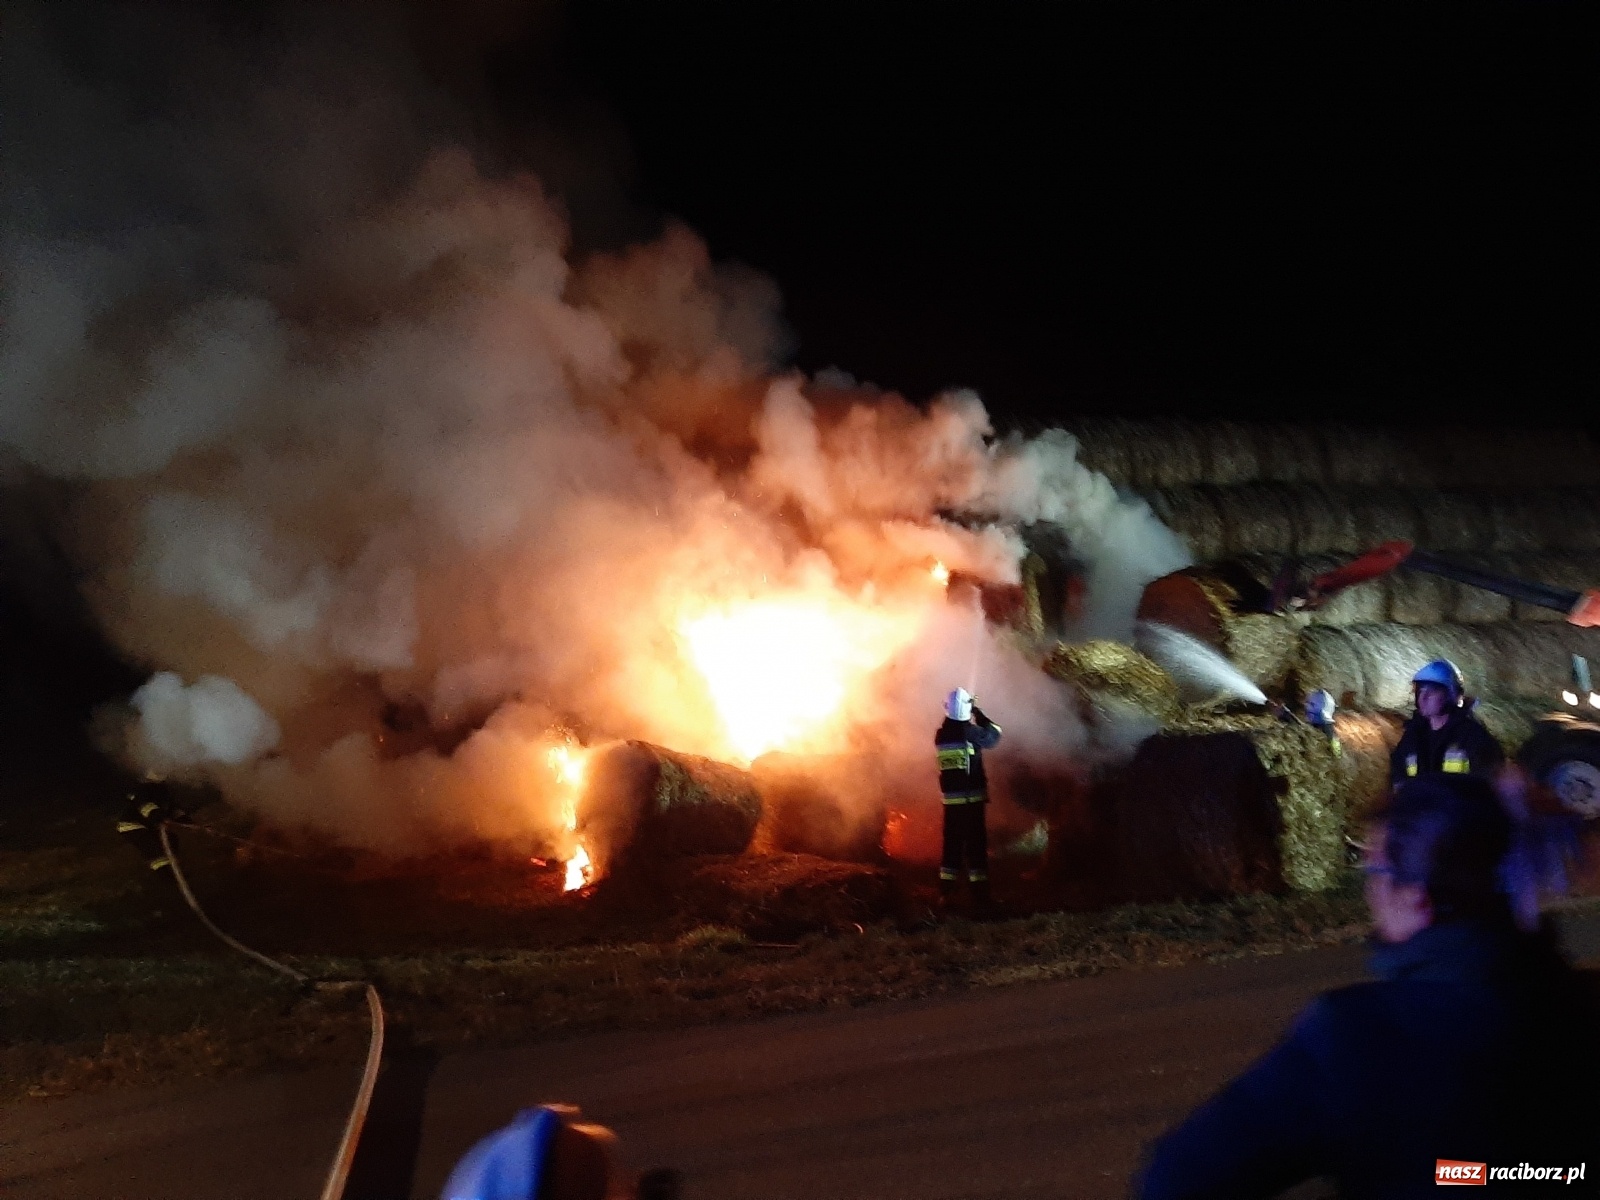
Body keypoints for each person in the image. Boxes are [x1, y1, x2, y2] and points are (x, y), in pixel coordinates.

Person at [1133, 773, 1600, 1199]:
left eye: (1374, 874)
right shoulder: (1583, 1006)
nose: (1368, 893)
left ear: (1417, 899)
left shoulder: (1355, 1039)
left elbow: (1177, 1179)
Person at [1388, 659, 1503, 790]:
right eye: (1420, 691)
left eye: (1432, 691)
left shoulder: (1473, 737)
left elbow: (1489, 787)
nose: (1423, 698)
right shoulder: (1411, 738)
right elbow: (1397, 782)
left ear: (1450, 695)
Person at [935, 686, 1002, 906]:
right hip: (971, 802)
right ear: (966, 710)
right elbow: (994, 736)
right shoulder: (970, 733)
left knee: (951, 848)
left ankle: (946, 895)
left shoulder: (942, 734)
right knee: (976, 848)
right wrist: (979, 713)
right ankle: (981, 897)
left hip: (951, 804)